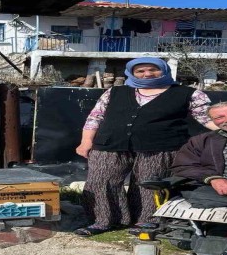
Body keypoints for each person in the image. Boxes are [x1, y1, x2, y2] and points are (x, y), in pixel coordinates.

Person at [74, 57, 218, 236]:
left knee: (149, 183)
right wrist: (86, 141)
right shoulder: (115, 91)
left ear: (164, 70)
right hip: (110, 143)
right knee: (101, 180)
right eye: (140, 71)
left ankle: (147, 220)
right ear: (132, 73)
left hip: (161, 145)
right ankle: (102, 220)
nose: (147, 74)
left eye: (153, 69)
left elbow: (206, 118)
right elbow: (95, 117)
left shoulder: (189, 93)